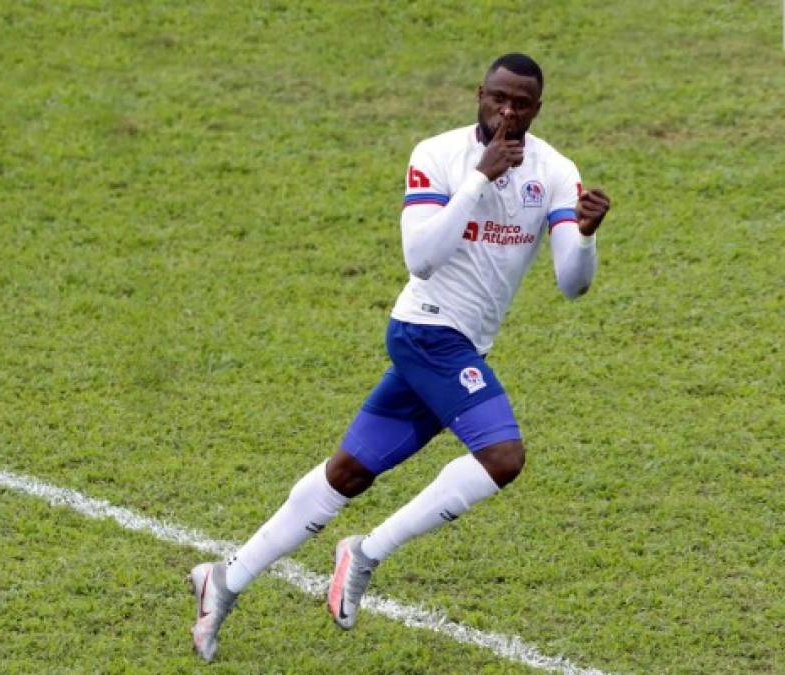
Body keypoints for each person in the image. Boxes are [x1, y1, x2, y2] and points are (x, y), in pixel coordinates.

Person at [188, 52, 611, 662]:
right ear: (479, 95)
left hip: (460, 343)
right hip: (426, 332)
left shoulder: (554, 171)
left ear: (538, 109)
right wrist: (479, 179)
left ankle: (222, 579)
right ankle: (364, 553)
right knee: (502, 455)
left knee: (349, 474)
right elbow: (422, 257)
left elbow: (572, 284)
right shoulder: (436, 156)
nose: (507, 112)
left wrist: (588, 237)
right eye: (497, 98)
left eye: (521, 104)